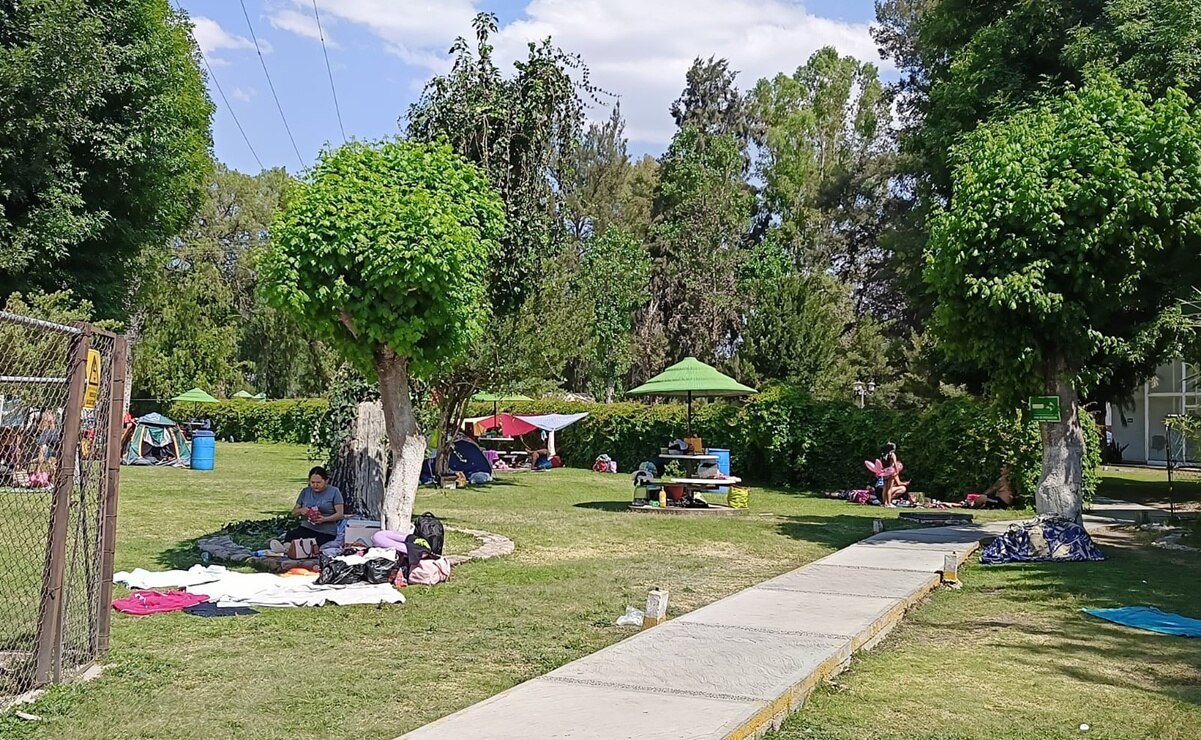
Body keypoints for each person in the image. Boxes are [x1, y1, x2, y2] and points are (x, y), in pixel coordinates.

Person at [285, 466, 345, 546]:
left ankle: (294, 549)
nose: (315, 485)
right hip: (307, 527)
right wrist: (301, 510)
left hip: (326, 531)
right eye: (312, 482)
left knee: (312, 543)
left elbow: (340, 514)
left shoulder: (334, 492)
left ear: (326, 481)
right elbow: (293, 513)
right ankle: (287, 549)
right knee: (290, 536)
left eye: (318, 482)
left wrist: (324, 519)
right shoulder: (305, 491)